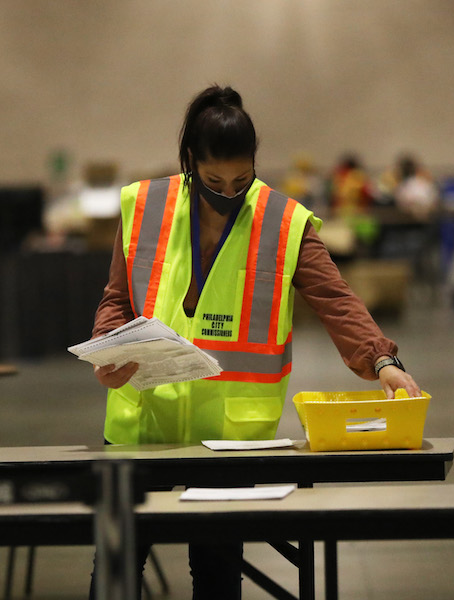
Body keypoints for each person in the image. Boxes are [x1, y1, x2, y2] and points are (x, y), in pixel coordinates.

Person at [90, 85, 419, 599]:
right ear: (191, 162)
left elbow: (336, 299)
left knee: (218, 581)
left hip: (229, 435)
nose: (228, 191)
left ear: (255, 164)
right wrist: (108, 348)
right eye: (213, 180)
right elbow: (116, 299)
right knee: (113, 575)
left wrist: (382, 360)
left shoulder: (284, 223)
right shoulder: (144, 206)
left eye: (241, 179)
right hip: (139, 420)